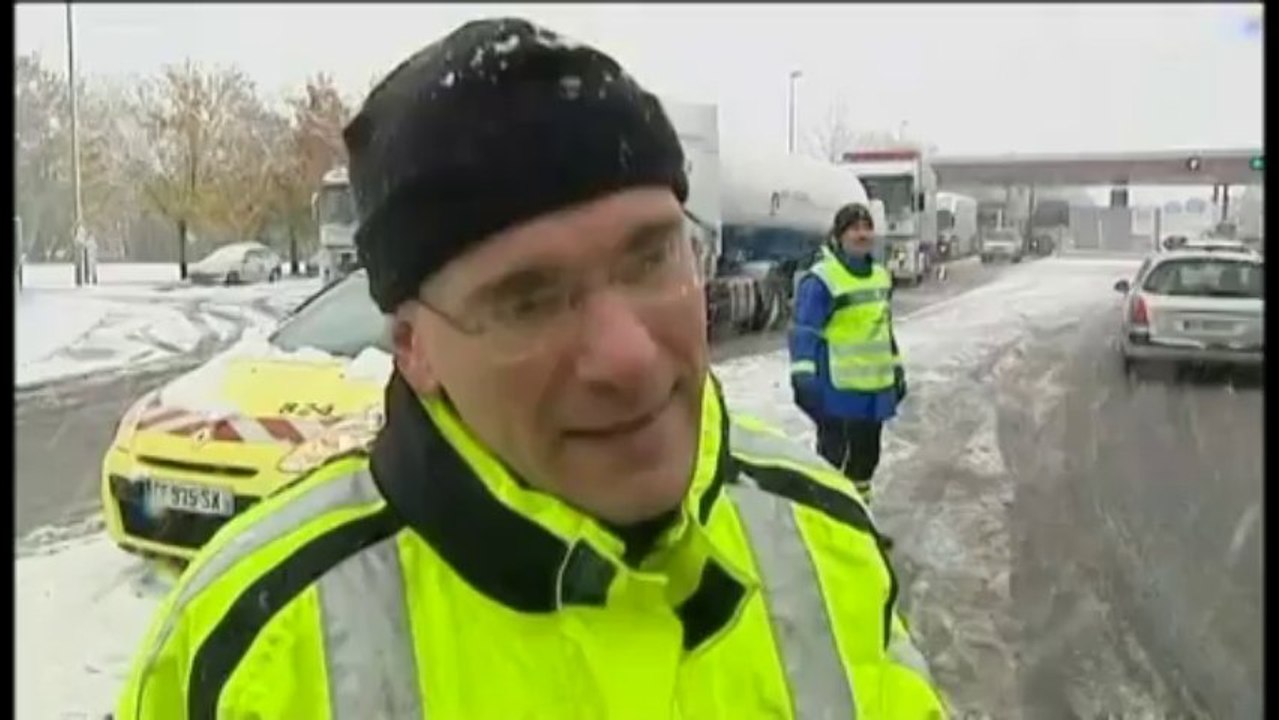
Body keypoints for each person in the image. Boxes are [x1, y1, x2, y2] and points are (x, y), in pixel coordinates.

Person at [114, 18, 943, 720]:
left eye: (651, 257)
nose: (624, 355)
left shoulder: (824, 536)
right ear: (414, 348)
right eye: (526, 300)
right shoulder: (245, 650)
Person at [789, 203, 907, 502]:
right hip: (836, 392)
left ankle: (859, 528)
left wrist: (896, 370)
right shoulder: (822, 279)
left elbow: (883, 331)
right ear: (840, 235)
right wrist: (803, 376)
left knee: (866, 464)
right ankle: (829, 534)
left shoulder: (881, 276)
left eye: (867, 227)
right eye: (854, 228)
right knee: (832, 466)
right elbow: (805, 331)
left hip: (873, 393)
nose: (862, 234)